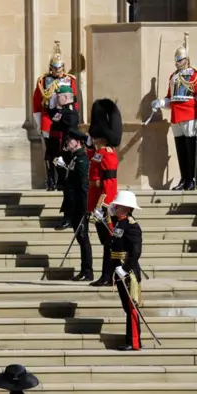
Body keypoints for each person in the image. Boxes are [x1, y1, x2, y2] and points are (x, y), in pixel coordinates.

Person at [152, 32, 197, 190]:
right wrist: (161, 102)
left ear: (186, 60)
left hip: (190, 114)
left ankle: (192, 179)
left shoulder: (194, 76)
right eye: (176, 60)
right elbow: (171, 98)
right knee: (181, 148)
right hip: (176, 116)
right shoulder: (173, 77)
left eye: (180, 60)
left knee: (191, 148)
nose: (177, 63)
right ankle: (184, 178)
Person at [32, 40, 78, 191]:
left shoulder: (70, 80)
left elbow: (75, 102)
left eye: (60, 67)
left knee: (65, 150)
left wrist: (73, 120)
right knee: (50, 152)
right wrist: (39, 123)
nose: (58, 70)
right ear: (51, 67)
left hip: (65, 119)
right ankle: (50, 179)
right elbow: (37, 103)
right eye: (55, 67)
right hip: (49, 119)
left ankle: (63, 179)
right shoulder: (43, 81)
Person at [87, 99, 122, 287]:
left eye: (95, 137)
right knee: (106, 242)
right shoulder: (98, 153)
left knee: (109, 242)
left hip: (104, 206)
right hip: (95, 203)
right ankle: (107, 276)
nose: (93, 139)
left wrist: (102, 207)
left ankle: (108, 276)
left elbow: (109, 183)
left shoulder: (108, 154)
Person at [109, 190, 143, 351]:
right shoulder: (120, 222)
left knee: (131, 308)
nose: (115, 206)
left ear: (127, 208)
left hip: (127, 272)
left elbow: (135, 252)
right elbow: (111, 242)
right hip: (119, 268)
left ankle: (134, 341)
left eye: (118, 205)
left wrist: (124, 268)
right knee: (126, 307)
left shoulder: (132, 226)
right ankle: (129, 339)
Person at [60, 129, 93, 282]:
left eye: (70, 141)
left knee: (83, 238)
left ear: (78, 142)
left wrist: (86, 207)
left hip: (80, 206)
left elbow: (84, 185)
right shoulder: (74, 157)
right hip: (73, 206)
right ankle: (84, 270)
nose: (67, 143)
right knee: (81, 239)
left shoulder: (81, 160)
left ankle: (87, 271)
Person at [50, 85, 80, 229]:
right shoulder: (61, 111)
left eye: (59, 96)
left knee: (69, 187)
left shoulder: (70, 114)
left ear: (67, 97)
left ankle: (70, 216)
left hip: (67, 154)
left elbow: (70, 133)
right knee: (65, 186)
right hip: (60, 153)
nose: (57, 99)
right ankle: (68, 215)